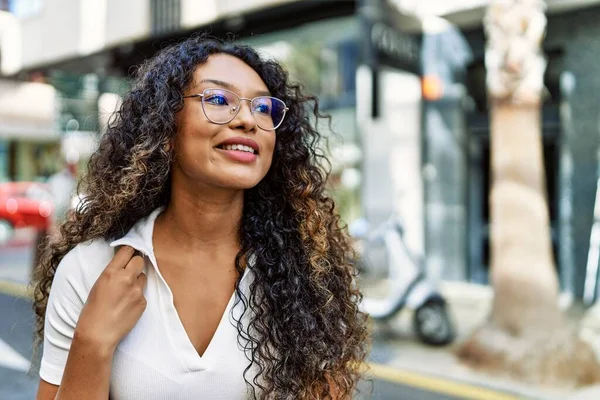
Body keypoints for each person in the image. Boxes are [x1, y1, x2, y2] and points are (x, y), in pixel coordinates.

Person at [33, 35, 369, 400]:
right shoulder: (90, 269)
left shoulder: (307, 276)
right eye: (219, 100)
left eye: (262, 108)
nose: (247, 120)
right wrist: (93, 341)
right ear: (165, 129)